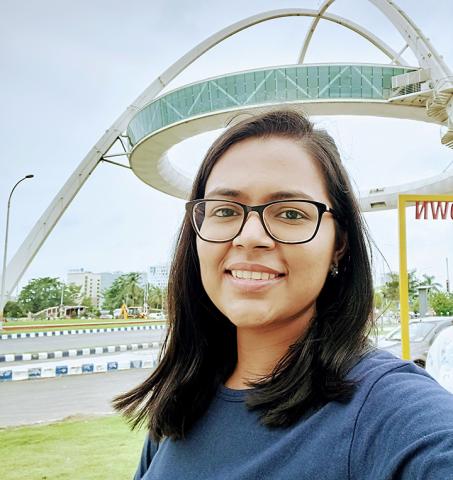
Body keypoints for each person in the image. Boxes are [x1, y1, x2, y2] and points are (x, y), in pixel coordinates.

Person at [114, 109, 453, 479]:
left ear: (339, 243)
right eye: (225, 210)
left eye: (291, 214)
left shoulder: (390, 413)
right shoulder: (180, 408)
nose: (250, 237)